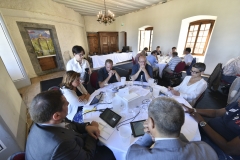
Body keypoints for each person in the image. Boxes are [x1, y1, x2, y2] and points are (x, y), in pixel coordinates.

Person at [25, 90, 115, 160]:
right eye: (65, 103)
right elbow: (87, 157)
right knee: (110, 153)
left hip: (74, 148)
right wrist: (91, 135)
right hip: (80, 153)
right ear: (56, 115)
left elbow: (71, 124)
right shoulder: (61, 144)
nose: (68, 103)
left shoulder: (44, 119)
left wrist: (87, 127)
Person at [126, 97, 218, 160]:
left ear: (151, 123)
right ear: (181, 122)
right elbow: (185, 144)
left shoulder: (136, 156)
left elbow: (135, 149)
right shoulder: (205, 150)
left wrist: (149, 135)